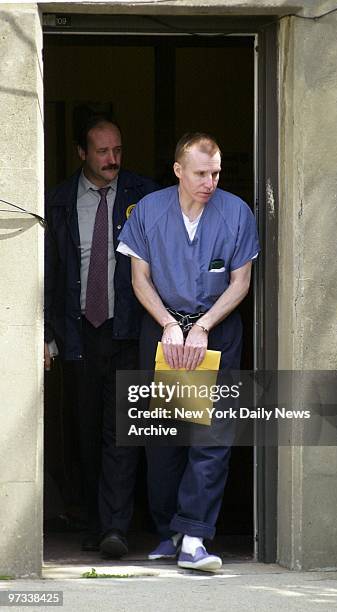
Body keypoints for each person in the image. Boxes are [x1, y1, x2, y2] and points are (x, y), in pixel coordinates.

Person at [118, 132, 260, 571]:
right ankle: (170, 531)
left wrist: (202, 326)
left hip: (215, 332)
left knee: (211, 437)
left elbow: (241, 281)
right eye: (200, 173)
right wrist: (167, 324)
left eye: (215, 172)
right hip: (164, 333)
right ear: (178, 170)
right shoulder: (148, 211)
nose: (209, 182)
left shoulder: (237, 212)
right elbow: (139, 278)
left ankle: (196, 536)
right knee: (165, 437)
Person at [44, 115, 158, 556]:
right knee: (85, 431)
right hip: (77, 334)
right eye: (102, 152)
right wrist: (44, 331)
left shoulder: (144, 195)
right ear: (81, 153)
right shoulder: (58, 201)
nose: (112, 160)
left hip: (128, 330)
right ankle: (94, 521)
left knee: (122, 431)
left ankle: (115, 527)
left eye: (118, 150)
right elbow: (51, 271)